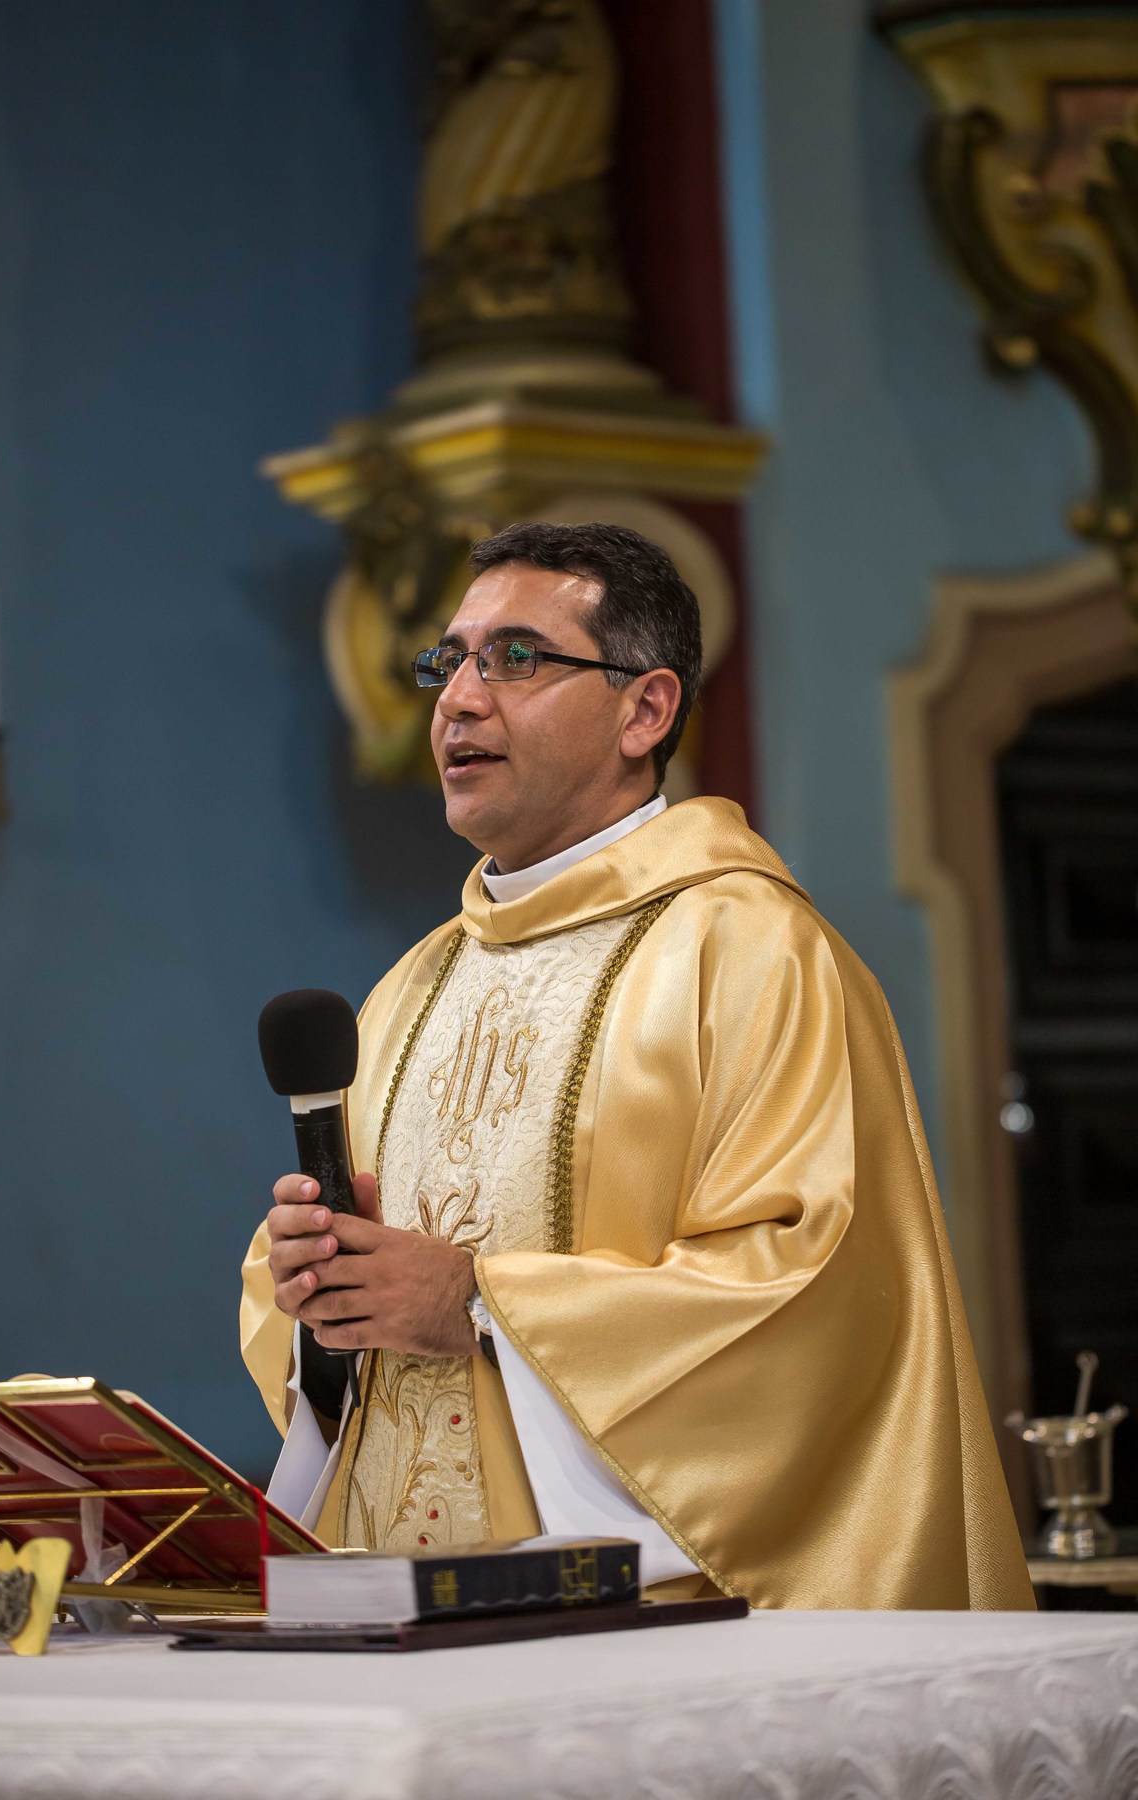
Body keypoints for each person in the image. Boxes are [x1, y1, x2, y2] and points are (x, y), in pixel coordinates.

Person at [240, 521, 1033, 1610]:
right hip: (399, 1610)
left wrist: (479, 1304)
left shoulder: (750, 951)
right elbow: (345, 1358)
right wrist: (319, 1300)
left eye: (514, 659)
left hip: (646, 1622)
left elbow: (813, 1298)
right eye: (449, 661)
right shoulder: (413, 987)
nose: (458, 700)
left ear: (645, 710)